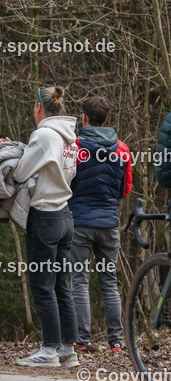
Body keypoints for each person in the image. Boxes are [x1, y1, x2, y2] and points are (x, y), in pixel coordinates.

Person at [0, 86, 79, 368]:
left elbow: (20, 172)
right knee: (62, 286)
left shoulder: (44, 134)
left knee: (42, 287)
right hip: (66, 216)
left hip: (45, 217)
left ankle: (48, 351)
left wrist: (11, 150)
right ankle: (68, 350)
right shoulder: (70, 138)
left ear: (38, 108)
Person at [68, 95, 131, 354]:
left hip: (79, 224)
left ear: (84, 118)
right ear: (107, 119)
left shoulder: (75, 147)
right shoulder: (122, 149)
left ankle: (82, 341)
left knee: (80, 281)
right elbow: (125, 189)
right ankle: (116, 342)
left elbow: (66, 182)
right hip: (108, 224)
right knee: (109, 282)